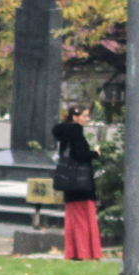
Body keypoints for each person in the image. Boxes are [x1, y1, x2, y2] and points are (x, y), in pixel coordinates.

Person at [53, 105, 101, 261]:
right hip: (81, 184)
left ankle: (73, 252)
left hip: (70, 183)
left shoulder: (64, 134)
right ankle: (85, 252)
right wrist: (95, 153)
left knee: (73, 219)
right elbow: (80, 154)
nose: (87, 119)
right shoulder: (76, 133)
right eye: (85, 116)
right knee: (85, 218)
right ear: (75, 117)